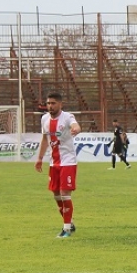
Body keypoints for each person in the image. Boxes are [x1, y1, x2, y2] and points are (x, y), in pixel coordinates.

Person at [35, 92, 81, 238]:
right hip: (53, 162)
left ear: (60, 104)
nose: (50, 106)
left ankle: (66, 229)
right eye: (48, 103)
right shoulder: (44, 119)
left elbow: (76, 126)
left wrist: (76, 129)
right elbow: (44, 139)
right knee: (56, 195)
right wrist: (40, 158)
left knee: (64, 193)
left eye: (53, 103)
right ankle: (70, 223)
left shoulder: (67, 117)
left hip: (68, 161)